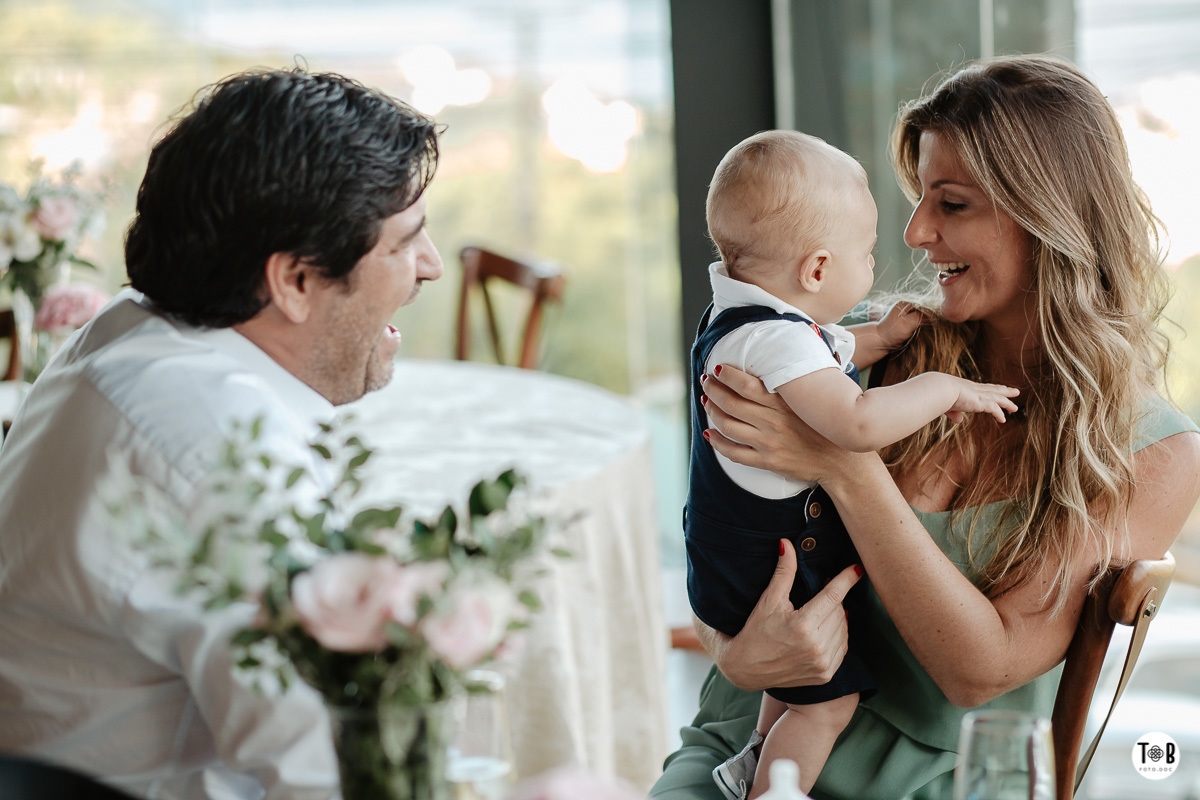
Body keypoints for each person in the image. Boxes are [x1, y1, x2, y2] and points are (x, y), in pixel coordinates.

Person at [653, 54, 1200, 800]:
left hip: (948, 780)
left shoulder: (1152, 451)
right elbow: (723, 527)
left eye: (952, 204)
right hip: (749, 750)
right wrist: (738, 655)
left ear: (1045, 216)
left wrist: (846, 464)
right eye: (919, 199)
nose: (915, 232)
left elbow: (981, 670)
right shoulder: (853, 352)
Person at [0, 68, 443, 799]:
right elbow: (333, 771)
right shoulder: (224, 449)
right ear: (294, 282)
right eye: (404, 243)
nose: (430, 267)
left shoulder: (127, 333)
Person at [688, 129, 1018, 799]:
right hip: (767, 573)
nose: (907, 238)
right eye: (865, 254)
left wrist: (883, 338)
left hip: (734, 562)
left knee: (801, 693)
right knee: (826, 703)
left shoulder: (749, 321)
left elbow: (830, 349)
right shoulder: (778, 341)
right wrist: (948, 390)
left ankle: (755, 754)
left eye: (949, 203)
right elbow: (858, 422)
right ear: (815, 271)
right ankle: (771, 789)